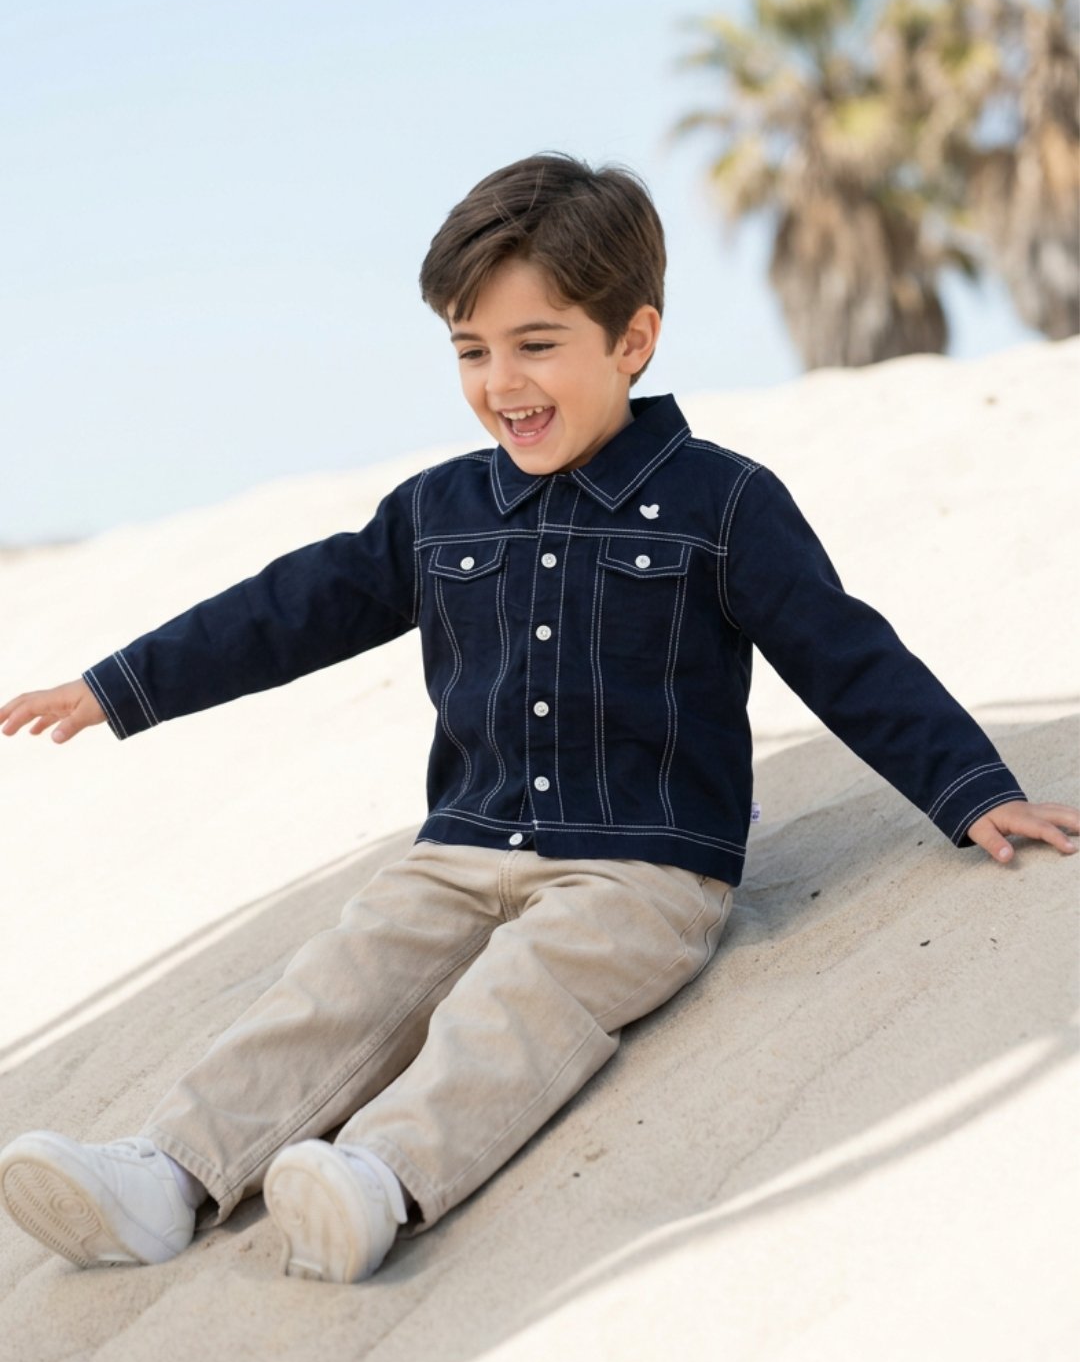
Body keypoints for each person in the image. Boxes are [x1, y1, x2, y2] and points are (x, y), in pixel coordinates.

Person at [0, 153, 1075, 1286]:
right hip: (464, 846)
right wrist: (121, 685)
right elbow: (289, 609)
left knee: (522, 1000)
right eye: (471, 351)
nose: (501, 381)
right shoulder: (442, 508)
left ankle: (377, 1177)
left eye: (536, 344)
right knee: (342, 980)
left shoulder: (723, 502)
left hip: (642, 866)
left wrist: (973, 791)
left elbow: (844, 653)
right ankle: (168, 1176)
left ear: (632, 340)